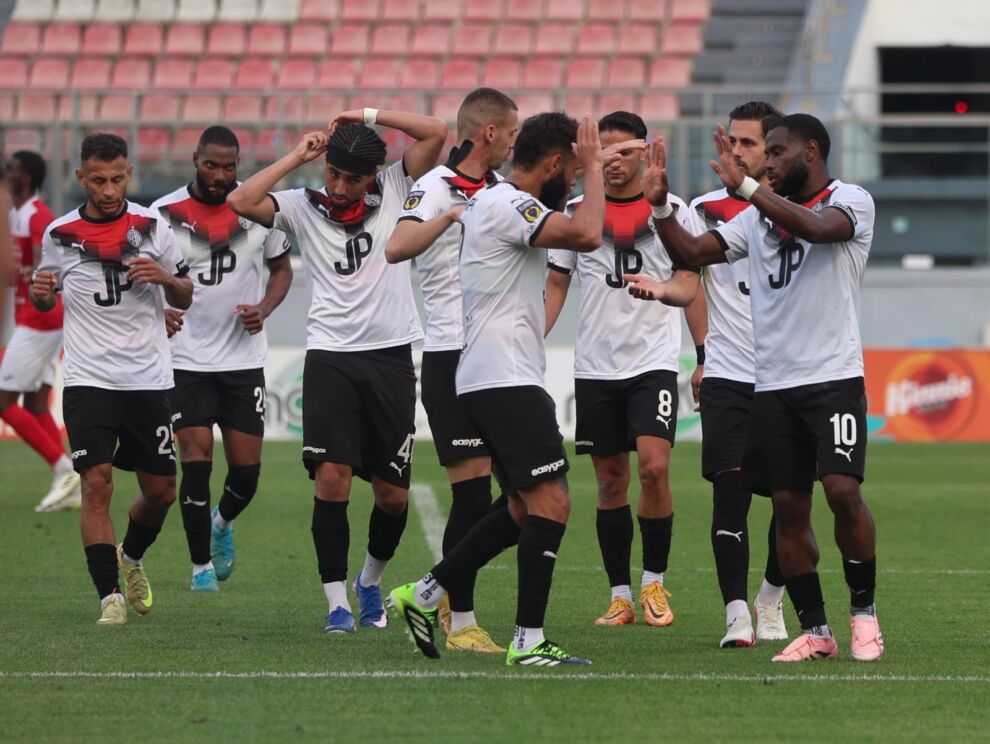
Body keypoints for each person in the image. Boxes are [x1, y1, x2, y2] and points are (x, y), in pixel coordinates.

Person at [628, 114, 884, 662]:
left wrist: (745, 187)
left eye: (777, 152)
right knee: (789, 507)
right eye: (764, 154)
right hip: (773, 386)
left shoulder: (851, 199)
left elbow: (819, 230)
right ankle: (816, 630)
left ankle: (864, 614)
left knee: (842, 491)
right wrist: (660, 207)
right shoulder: (754, 218)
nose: (768, 162)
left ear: (811, 151)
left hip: (834, 379)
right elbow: (691, 254)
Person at [390, 113, 642, 667]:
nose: (574, 184)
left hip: (496, 375)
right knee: (553, 502)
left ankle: (424, 594)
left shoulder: (495, 202)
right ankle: (527, 640)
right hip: (503, 377)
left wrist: (595, 165)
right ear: (552, 163)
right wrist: (594, 166)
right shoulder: (509, 204)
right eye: (571, 174)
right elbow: (587, 234)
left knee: (524, 509)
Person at [227, 108, 447, 634]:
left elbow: (437, 131)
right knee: (331, 480)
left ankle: (368, 583)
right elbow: (241, 200)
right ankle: (336, 604)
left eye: (352, 178)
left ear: (373, 176)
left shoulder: (396, 187)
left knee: (392, 496)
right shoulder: (303, 205)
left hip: (391, 357)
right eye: (334, 174)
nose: (341, 186)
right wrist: (297, 156)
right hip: (330, 356)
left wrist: (367, 114)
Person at [30, 133, 193, 625]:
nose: (108, 190)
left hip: (147, 379)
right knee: (96, 484)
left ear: (129, 174)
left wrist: (165, 279)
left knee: (162, 491)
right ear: (81, 177)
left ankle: (132, 555)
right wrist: (40, 293)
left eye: (117, 179)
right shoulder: (59, 233)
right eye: (98, 180)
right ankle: (109, 597)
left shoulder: (153, 226)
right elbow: (44, 297)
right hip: (88, 379)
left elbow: (185, 294)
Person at [544, 111, 697, 629]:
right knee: (610, 483)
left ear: (644, 152)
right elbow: (558, 285)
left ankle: (653, 581)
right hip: (595, 366)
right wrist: (529, 339)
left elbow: (691, 280)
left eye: (624, 151)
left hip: (652, 362)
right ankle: (620, 596)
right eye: (604, 151)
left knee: (654, 469)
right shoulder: (576, 211)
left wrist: (704, 353)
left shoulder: (671, 209)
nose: (612, 161)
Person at [384, 88, 518, 653]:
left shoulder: (507, 190)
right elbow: (396, 247)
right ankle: (460, 621)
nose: (514, 142)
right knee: (472, 495)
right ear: (489, 132)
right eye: (511, 132)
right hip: (450, 354)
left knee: (528, 494)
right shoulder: (436, 186)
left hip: (502, 357)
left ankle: (434, 590)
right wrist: (449, 217)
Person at [656, 102, 791, 648]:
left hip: (789, 378)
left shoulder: (798, 209)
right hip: (729, 374)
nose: (736, 152)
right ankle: (737, 613)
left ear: (773, 150)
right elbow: (691, 277)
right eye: (732, 141)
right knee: (729, 496)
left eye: (748, 143)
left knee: (790, 502)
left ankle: (771, 599)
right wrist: (703, 354)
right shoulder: (704, 208)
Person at [152, 126, 293, 592]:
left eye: (228, 167)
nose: (219, 175)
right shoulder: (164, 214)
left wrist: (264, 309)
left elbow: (281, 270)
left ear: (238, 165)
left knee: (247, 474)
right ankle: (200, 568)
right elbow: (141, 277)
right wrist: (159, 313)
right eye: (211, 165)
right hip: (185, 359)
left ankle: (221, 523)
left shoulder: (257, 208)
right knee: (195, 461)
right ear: (196, 159)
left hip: (241, 359)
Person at [1, 150, 80, 512]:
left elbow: (44, 271)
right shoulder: (15, 214)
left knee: (3, 401)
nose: (8, 174)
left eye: (13, 170)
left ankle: (64, 469)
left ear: (27, 178)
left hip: (39, 318)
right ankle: (72, 482)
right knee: (35, 403)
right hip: (30, 317)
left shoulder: (38, 215)